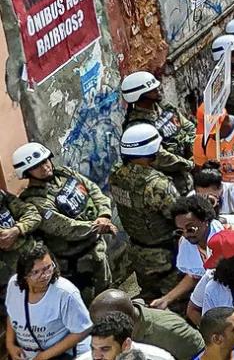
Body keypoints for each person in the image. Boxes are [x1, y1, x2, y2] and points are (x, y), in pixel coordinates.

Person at [13, 143, 114, 298]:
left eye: (45, 161)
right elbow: (66, 228)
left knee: (109, 293)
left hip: (97, 249)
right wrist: (99, 226)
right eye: (37, 166)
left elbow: (93, 190)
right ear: (26, 172)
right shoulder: (35, 201)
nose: (45, 166)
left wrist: (104, 215)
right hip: (77, 264)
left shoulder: (64, 173)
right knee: (88, 307)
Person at [107, 124, 182, 302]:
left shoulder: (116, 175)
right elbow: (180, 216)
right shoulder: (157, 185)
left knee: (148, 297)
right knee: (175, 302)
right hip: (164, 256)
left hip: (137, 251)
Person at [5, 245, 91, 360]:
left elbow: (83, 330)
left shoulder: (66, 293)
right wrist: (10, 345)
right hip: (27, 354)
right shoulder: (14, 285)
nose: (45, 276)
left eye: (48, 268)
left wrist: (44, 356)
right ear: (24, 275)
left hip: (60, 354)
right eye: (36, 272)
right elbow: (12, 314)